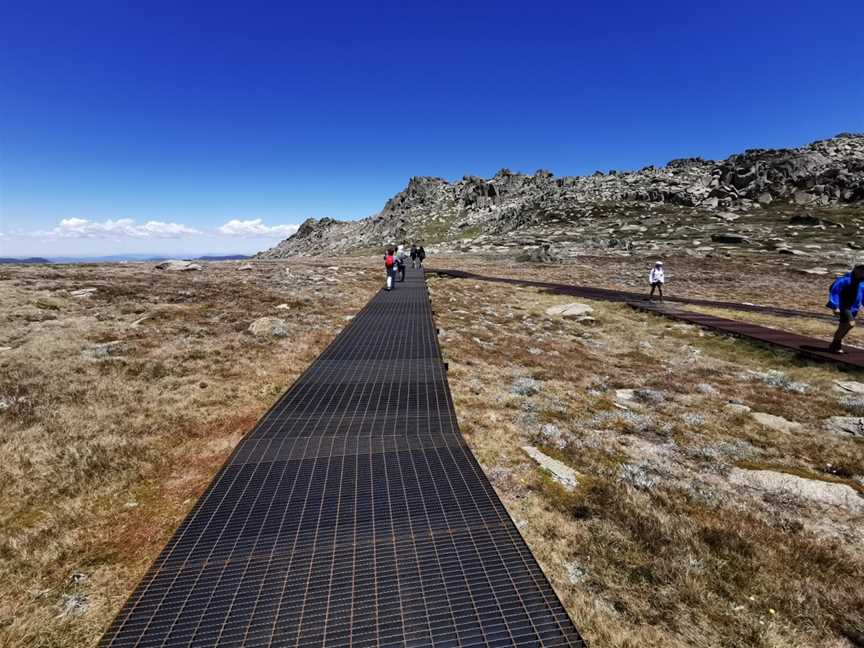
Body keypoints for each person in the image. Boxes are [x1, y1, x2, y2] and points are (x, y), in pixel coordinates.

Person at [826, 264, 864, 353]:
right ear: (855, 269)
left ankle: (835, 344)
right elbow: (835, 292)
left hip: (854, 308)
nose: (862, 272)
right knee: (851, 324)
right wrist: (835, 306)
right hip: (844, 307)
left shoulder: (862, 282)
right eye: (860, 269)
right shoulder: (845, 280)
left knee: (843, 327)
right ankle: (836, 341)